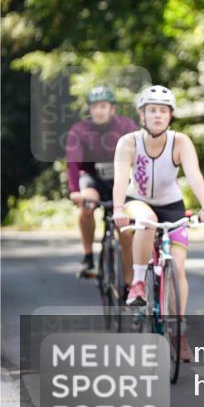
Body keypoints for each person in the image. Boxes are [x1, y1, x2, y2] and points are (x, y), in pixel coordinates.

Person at [111, 85, 204, 362]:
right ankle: (137, 285)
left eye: (163, 111)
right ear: (142, 115)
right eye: (151, 110)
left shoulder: (180, 142)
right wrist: (119, 208)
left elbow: (194, 174)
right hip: (138, 201)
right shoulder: (128, 142)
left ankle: (179, 333)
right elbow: (121, 178)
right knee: (146, 220)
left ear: (171, 116)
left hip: (173, 207)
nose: (157, 116)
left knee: (178, 269)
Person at [65, 86, 138, 278]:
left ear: (112, 109)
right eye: (95, 106)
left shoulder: (127, 126)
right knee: (87, 206)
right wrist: (75, 191)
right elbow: (73, 163)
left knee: (126, 226)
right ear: (90, 110)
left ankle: (130, 281)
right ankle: (88, 257)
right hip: (93, 179)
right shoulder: (79, 130)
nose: (99, 110)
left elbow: (140, 156)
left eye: (103, 106)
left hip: (121, 179)